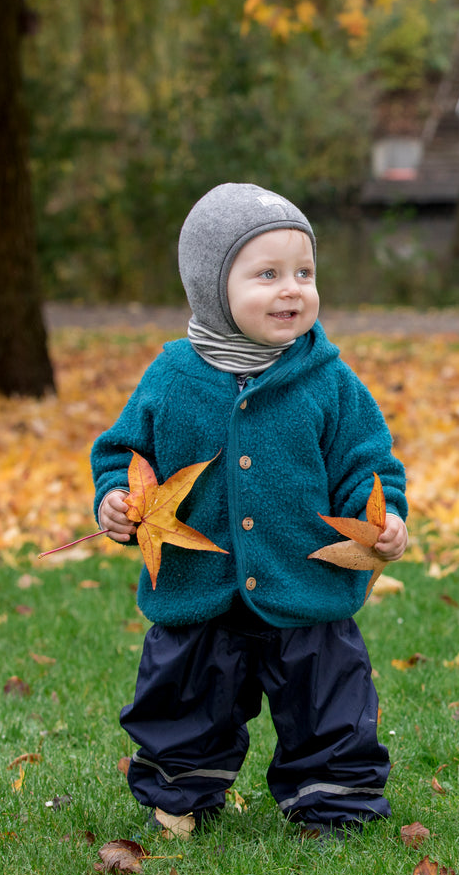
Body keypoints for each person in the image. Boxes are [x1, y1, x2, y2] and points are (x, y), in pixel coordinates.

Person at [90, 182, 408, 836]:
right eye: (267, 274)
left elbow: (365, 462)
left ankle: (333, 800)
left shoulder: (327, 379)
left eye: (304, 272)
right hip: (196, 589)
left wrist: (381, 516)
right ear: (211, 285)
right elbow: (123, 452)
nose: (292, 289)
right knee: (183, 699)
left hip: (305, 584)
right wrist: (116, 502)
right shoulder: (171, 377)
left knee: (328, 704)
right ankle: (179, 791)